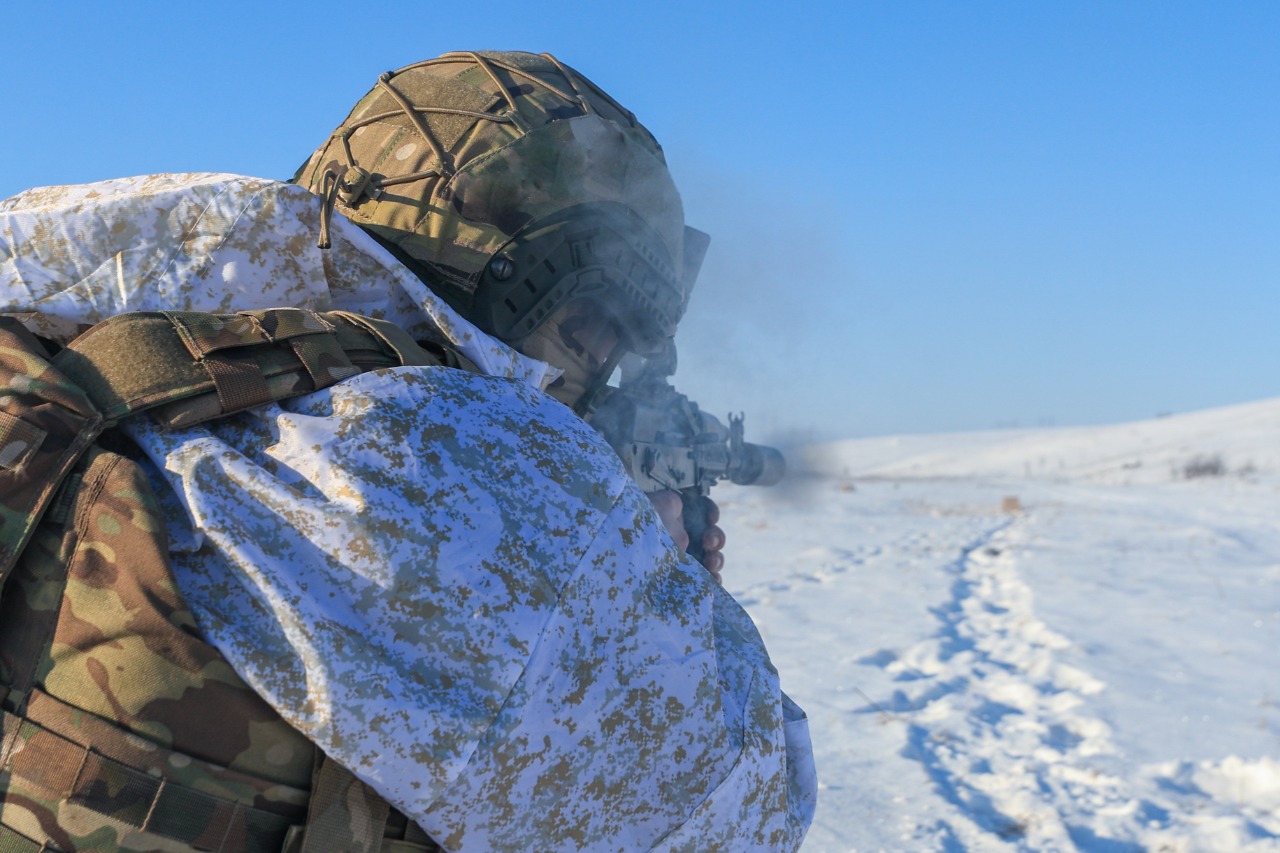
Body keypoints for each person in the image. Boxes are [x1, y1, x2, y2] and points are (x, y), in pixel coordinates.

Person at [0, 51, 814, 852]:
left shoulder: (75, 316)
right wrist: (666, 589)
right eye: (591, 333)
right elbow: (752, 810)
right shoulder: (462, 472)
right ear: (535, 282)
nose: (593, 374)